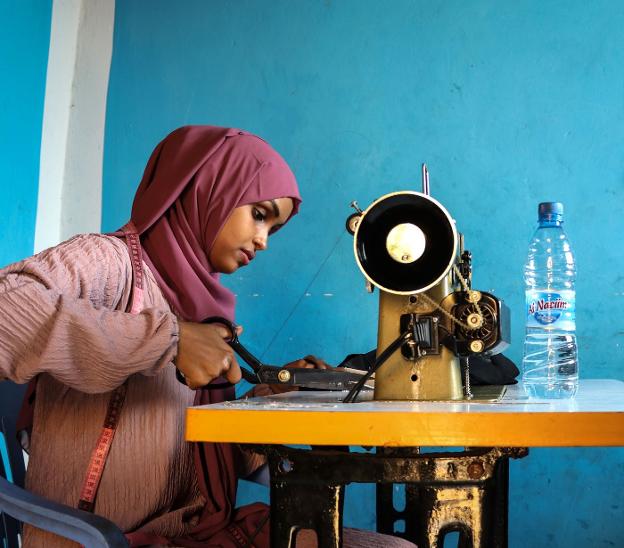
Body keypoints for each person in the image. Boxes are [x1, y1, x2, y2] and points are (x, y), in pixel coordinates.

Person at [0, 126, 416, 547]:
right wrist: (170, 339)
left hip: (197, 530)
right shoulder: (110, 262)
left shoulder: (202, 305)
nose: (263, 241)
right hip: (102, 539)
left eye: (273, 229)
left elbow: (198, 461)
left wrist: (270, 400)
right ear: (207, 189)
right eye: (259, 214)